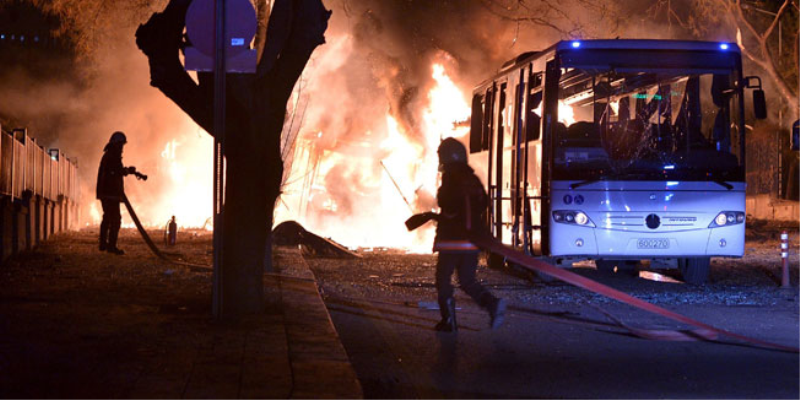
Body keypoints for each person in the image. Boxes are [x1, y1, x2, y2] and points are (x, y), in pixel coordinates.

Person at [433, 137, 506, 332]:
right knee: (467, 280)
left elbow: (445, 202)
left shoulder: (450, 177)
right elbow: (484, 203)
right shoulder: (472, 178)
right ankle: (492, 304)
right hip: (472, 240)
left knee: (443, 278)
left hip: (452, 240)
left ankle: (449, 320)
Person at [96, 131, 138, 255]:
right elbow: (116, 171)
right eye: (121, 144)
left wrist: (127, 171)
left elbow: (115, 171)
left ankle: (103, 244)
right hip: (110, 194)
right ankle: (111, 246)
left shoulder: (109, 154)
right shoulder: (112, 155)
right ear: (116, 144)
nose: (122, 147)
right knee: (115, 219)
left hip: (107, 193)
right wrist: (128, 170)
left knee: (107, 217)